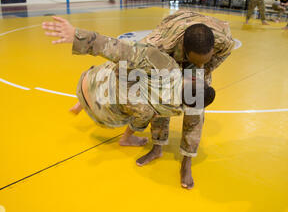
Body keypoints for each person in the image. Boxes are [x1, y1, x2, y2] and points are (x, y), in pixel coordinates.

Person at [42, 16, 216, 189]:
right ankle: (151, 145)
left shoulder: (175, 99)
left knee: (158, 108)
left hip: (106, 90)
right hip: (106, 81)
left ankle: (175, 156)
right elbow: (121, 51)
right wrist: (78, 35)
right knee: (132, 81)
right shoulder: (161, 57)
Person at [136, 10, 235, 189]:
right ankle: (157, 148)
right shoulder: (158, 44)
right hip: (170, 58)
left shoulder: (224, 41)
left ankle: (186, 161)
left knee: (195, 110)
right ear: (185, 50)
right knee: (161, 104)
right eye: (195, 61)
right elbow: (130, 59)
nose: (198, 65)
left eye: (203, 60)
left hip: (196, 50)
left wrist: (201, 72)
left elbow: (218, 57)